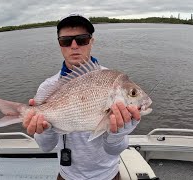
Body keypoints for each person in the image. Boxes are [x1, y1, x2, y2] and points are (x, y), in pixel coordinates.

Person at [22, 13, 141, 180]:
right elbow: (46, 147)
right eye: (66, 41)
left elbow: (114, 150)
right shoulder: (47, 87)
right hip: (67, 175)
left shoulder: (113, 82)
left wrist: (118, 134)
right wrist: (45, 129)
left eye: (82, 39)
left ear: (92, 41)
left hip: (108, 175)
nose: (74, 46)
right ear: (59, 45)